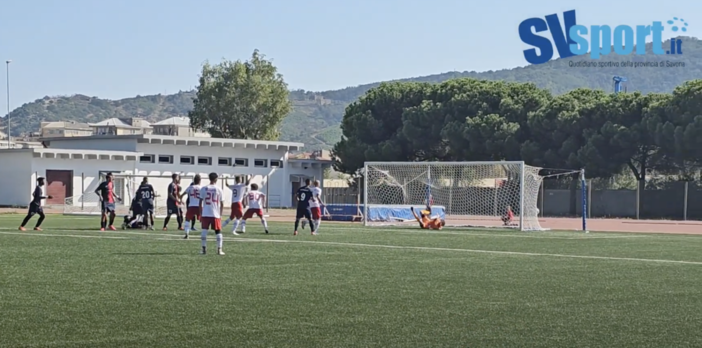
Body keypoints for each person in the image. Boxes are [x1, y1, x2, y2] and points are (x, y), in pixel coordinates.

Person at [198, 172, 225, 255]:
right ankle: (219, 250)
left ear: (209, 178)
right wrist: (220, 214)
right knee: (218, 231)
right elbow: (222, 203)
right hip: (215, 213)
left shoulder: (204, 188)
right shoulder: (219, 189)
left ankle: (203, 249)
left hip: (206, 213)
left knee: (204, 231)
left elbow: (200, 202)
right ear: (216, 179)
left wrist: (200, 214)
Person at [182, 174, 202, 239]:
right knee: (204, 220)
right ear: (199, 180)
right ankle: (204, 233)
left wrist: (180, 199)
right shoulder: (201, 188)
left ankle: (187, 233)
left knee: (187, 219)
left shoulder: (190, 187)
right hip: (199, 206)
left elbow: (182, 195)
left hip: (191, 206)